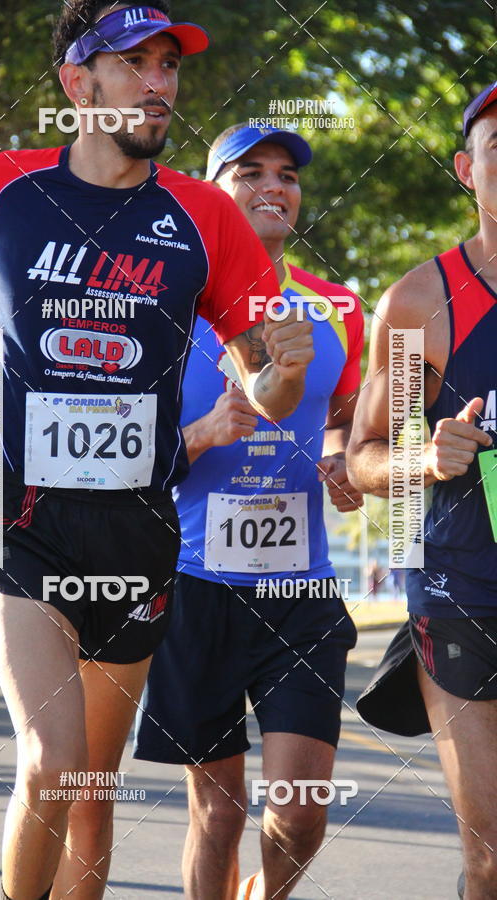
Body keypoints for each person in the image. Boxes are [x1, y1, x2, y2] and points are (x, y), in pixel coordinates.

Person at [0, 5, 317, 899]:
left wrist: (283, 371)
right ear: (77, 83)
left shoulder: (205, 216)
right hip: (18, 514)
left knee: (89, 790)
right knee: (51, 761)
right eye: (135, 63)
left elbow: (264, 388)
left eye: (169, 65)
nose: (159, 83)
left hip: (135, 527)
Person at [134, 122, 364, 900]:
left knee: (298, 813)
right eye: (250, 172)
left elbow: (346, 420)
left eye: (287, 175)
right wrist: (201, 434)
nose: (274, 185)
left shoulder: (338, 308)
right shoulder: (162, 306)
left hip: (301, 590)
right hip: (194, 585)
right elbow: (123, 449)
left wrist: (342, 459)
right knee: (219, 811)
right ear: (211, 194)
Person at [347, 83, 497, 900]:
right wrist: (427, 460)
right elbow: (365, 457)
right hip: (464, 592)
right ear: (467, 171)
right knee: (492, 856)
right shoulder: (421, 304)